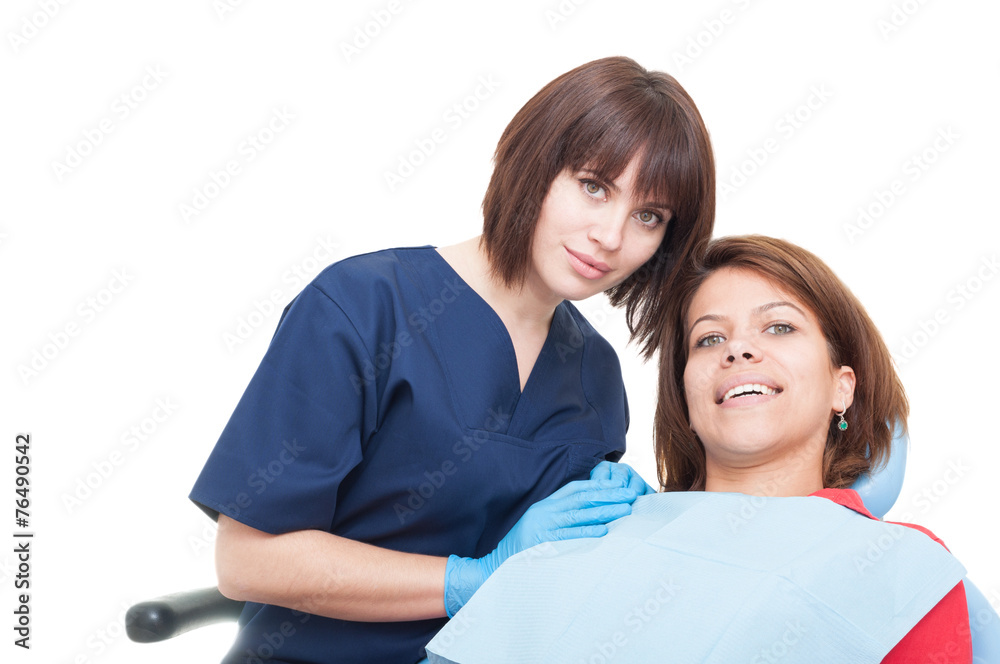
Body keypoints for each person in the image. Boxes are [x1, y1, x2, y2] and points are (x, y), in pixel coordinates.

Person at [188, 56, 716, 664]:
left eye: (649, 216)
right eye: (594, 186)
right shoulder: (363, 307)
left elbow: (557, 583)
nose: (611, 236)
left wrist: (620, 521)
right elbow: (248, 562)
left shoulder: (594, 373)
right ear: (534, 162)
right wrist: (472, 577)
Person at [424, 236, 973, 663]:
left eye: (779, 327)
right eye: (709, 339)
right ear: (686, 400)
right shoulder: (592, 535)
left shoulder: (900, 567)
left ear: (842, 387)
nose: (739, 349)